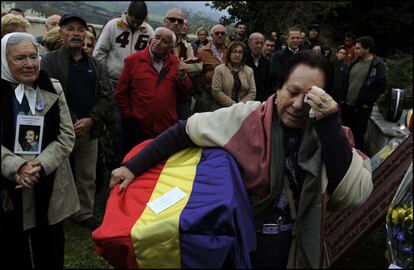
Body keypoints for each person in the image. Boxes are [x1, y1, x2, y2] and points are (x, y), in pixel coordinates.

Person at [109, 49, 373, 268]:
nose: (297, 105)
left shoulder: (329, 133)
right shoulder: (245, 117)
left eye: (310, 98)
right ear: (278, 87)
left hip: (294, 245)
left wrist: (329, 124)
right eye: (292, 92)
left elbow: (350, 190)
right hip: (246, 242)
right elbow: (185, 131)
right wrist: (133, 167)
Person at [1, 32, 79, 269]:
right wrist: (17, 167)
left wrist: (39, 165)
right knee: (12, 250)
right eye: (20, 58)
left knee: (51, 248)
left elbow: (66, 134)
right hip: (9, 187)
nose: (30, 64)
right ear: (4, 62)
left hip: (49, 181)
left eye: (33, 56)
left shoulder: (51, 88)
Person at [41, 14, 114, 230]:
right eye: (70, 28)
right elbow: (48, 93)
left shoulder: (96, 64)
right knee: (57, 174)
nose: (76, 33)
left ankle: (84, 213)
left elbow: (106, 96)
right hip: (60, 131)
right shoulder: (49, 61)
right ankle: (56, 214)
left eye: (80, 30)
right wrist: (72, 121)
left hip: (89, 131)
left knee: (86, 174)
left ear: (85, 35)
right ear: (61, 32)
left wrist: (91, 120)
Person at [92, 1, 154, 167]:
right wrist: (104, 79)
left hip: (137, 87)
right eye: (133, 20)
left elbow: (152, 57)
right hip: (114, 82)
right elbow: (99, 54)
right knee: (117, 125)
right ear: (127, 14)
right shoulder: (113, 26)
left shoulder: (148, 30)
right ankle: (115, 164)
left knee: (135, 127)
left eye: (139, 22)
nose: (135, 24)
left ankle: (132, 162)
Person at [115, 27, 192, 158]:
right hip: (137, 128)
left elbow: (184, 95)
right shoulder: (133, 61)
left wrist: (182, 77)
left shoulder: (176, 64)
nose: (158, 42)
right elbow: (121, 93)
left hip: (165, 129)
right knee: (131, 162)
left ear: (170, 47)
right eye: (157, 37)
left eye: (164, 41)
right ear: (151, 39)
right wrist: (129, 117)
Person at [341, 36, 386, 152]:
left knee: (358, 135)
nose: (355, 50)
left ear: (367, 49)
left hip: (362, 108)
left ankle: (358, 158)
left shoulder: (377, 65)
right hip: (347, 106)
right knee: (345, 133)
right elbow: (347, 81)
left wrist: (367, 101)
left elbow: (381, 86)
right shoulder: (355, 61)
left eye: (358, 48)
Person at [163, 8, 202, 120]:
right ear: (165, 21)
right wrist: (179, 65)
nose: (176, 23)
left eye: (180, 21)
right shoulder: (155, 41)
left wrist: (173, 67)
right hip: (159, 96)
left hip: (180, 98)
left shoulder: (187, 46)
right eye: (172, 19)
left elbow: (198, 66)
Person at [211, 41, 256, 110]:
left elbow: (252, 92)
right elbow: (216, 91)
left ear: (243, 55)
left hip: (242, 109)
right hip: (222, 109)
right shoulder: (219, 69)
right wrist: (233, 105)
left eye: (240, 52)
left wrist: (240, 105)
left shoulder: (249, 71)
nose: (237, 55)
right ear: (229, 54)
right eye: (234, 52)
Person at [196, 24, 228, 112]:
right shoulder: (202, 52)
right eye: (217, 33)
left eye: (222, 33)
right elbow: (197, 74)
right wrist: (202, 92)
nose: (220, 35)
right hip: (208, 95)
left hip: (227, 95)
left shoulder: (230, 51)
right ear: (211, 36)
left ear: (226, 36)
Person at [244, 32, 271, 102]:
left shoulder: (266, 62)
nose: (259, 46)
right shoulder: (243, 60)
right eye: (257, 43)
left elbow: (268, 84)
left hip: (262, 100)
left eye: (261, 43)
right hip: (245, 100)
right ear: (249, 44)